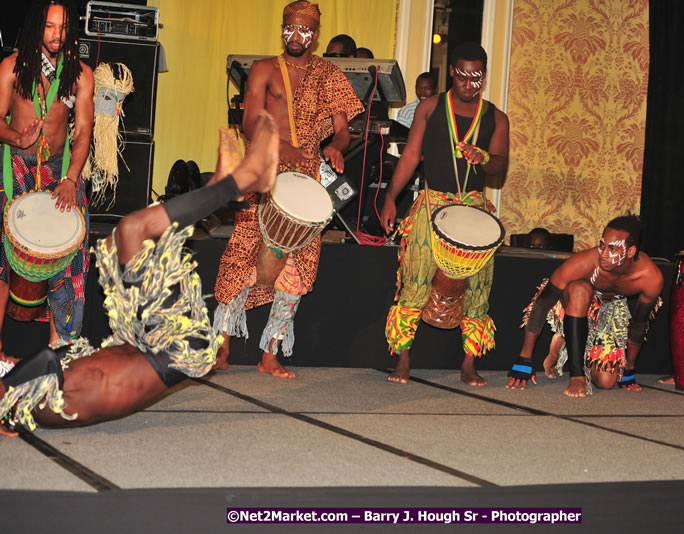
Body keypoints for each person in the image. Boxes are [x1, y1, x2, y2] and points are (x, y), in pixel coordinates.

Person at [0, 111, 280, 437]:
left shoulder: (43, 404)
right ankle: (243, 181)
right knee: (134, 230)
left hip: (136, 338)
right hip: (171, 348)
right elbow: (48, 358)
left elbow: (54, 358)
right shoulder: (41, 406)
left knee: (119, 240)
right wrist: (7, 386)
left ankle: (218, 193)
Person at [212, 1, 363, 378]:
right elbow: (249, 123)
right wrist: (284, 149)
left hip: (306, 179)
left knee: (298, 270)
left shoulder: (329, 74)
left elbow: (343, 129)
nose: (296, 37)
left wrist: (335, 147)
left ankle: (270, 353)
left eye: (305, 31)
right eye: (289, 29)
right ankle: (221, 347)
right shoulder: (263, 69)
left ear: (316, 35)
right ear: (282, 30)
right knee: (241, 258)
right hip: (264, 173)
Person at [380, 43, 510, 386]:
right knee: (415, 282)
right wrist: (391, 197)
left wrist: (482, 157)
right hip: (431, 202)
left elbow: (500, 164)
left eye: (477, 76)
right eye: (464, 75)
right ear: (452, 71)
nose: (471, 83)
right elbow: (410, 157)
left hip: (473, 207)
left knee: (478, 288)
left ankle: (469, 364)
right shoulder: (430, 107)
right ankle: (403, 359)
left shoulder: (496, 117)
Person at [0, 0, 94, 352]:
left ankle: (61, 347)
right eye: (50, 26)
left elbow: (83, 131)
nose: (57, 35)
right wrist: (16, 137)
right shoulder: (12, 68)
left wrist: (70, 178)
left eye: (64, 27)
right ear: (37, 27)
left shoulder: (80, 74)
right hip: (16, 166)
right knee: (1, 258)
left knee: (71, 257)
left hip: (60, 171)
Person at [505, 215, 664, 398]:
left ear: (630, 251)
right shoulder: (585, 262)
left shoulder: (650, 278)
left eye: (612, 249)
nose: (603, 253)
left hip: (609, 314)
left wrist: (629, 368)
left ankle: (573, 343)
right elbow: (543, 302)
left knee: (605, 383)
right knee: (581, 289)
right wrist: (525, 359)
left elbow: (638, 325)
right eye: (602, 245)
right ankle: (576, 372)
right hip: (573, 304)